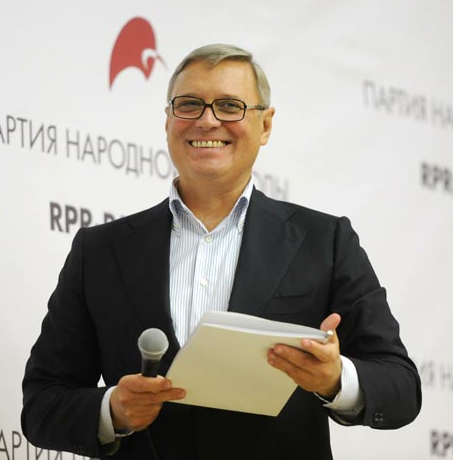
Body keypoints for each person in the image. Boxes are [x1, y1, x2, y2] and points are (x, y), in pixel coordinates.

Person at [21, 44, 421, 459]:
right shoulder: (100, 251)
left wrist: (335, 379)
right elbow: (42, 403)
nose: (207, 120)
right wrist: (113, 410)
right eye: (189, 104)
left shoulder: (325, 241)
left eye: (230, 106)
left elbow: (401, 386)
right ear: (168, 120)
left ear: (265, 125)